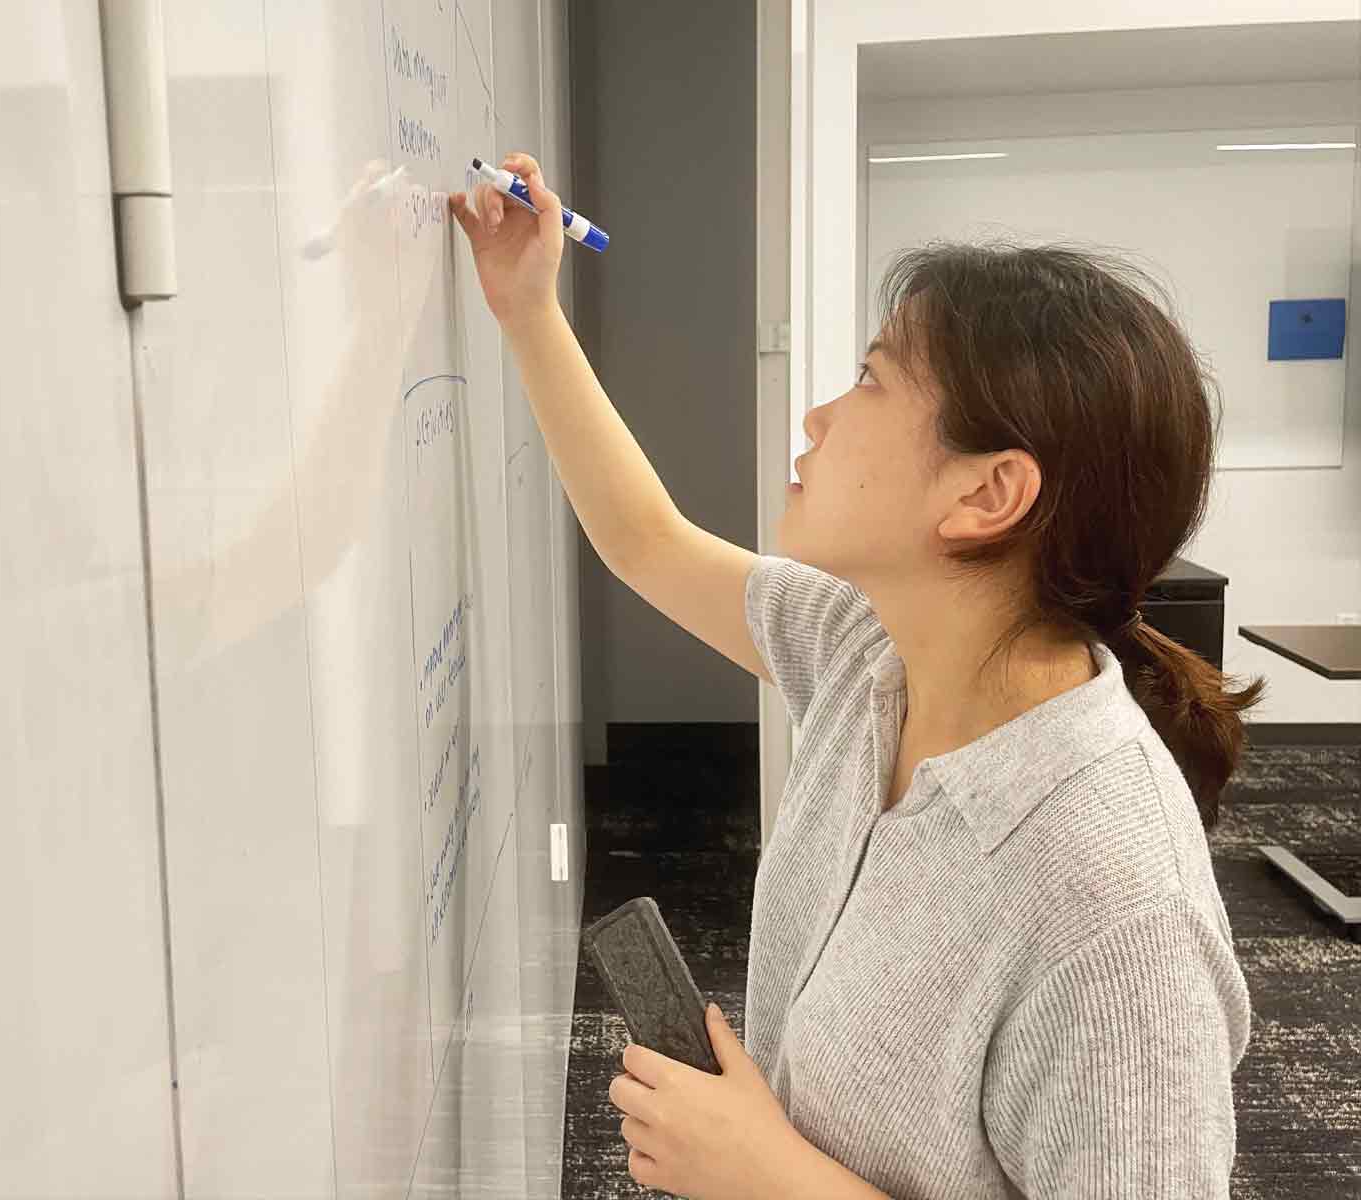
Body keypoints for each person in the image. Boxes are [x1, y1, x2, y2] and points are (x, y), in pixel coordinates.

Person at [450, 152, 1264, 1199]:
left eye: (870, 380)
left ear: (988, 495)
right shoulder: (868, 654)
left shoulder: (1116, 909)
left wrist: (769, 1177)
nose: (818, 418)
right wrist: (527, 309)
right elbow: (644, 541)